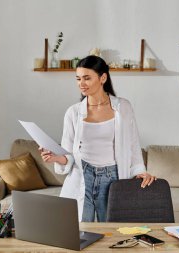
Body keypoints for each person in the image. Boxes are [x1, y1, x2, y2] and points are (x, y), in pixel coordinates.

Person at [40, 55, 156, 222]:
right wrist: (56, 157)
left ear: (103, 78)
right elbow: (68, 154)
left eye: (87, 78)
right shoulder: (73, 113)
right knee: (79, 231)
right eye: (78, 79)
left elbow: (133, 144)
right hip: (82, 176)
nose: (81, 83)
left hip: (113, 177)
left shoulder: (123, 107)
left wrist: (140, 172)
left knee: (111, 232)